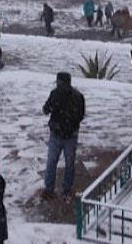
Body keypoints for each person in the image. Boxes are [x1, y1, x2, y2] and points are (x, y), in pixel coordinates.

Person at [41, 72, 85, 202]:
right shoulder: (78, 96)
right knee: (69, 163)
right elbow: (81, 115)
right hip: (71, 134)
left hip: (57, 133)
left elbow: (45, 109)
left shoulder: (55, 94)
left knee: (51, 162)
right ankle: (66, 189)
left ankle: (49, 189)